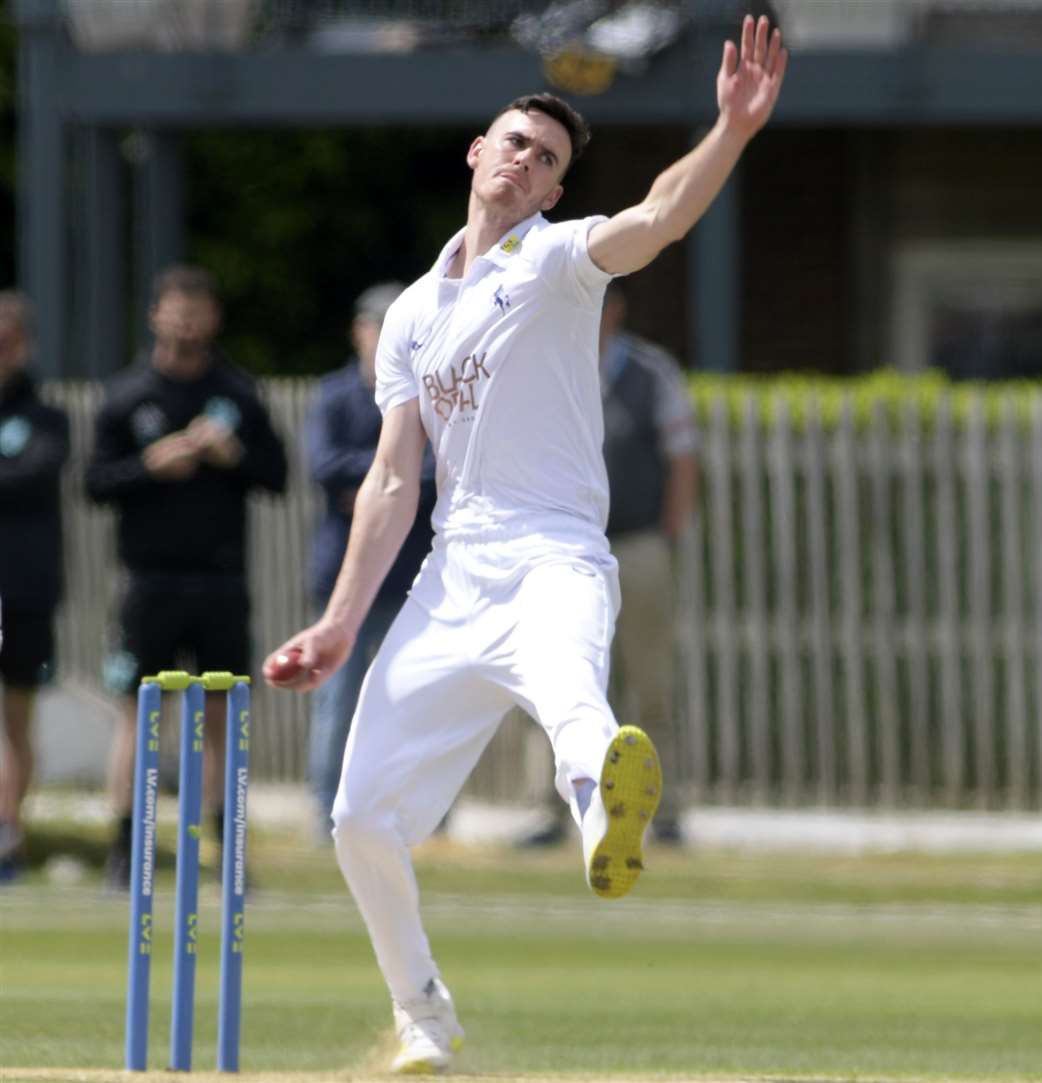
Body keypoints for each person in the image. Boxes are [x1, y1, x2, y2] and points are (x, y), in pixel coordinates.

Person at [265, 15, 786, 1073]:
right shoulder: (410, 315)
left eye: (546, 160)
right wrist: (337, 621)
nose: (526, 161)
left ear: (552, 193)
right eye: (514, 142)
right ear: (477, 152)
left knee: (572, 698)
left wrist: (728, 133)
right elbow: (393, 478)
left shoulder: (556, 261)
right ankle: (422, 1018)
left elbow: (656, 217)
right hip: (456, 575)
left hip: (556, 555)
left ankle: (604, 821)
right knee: (360, 818)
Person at [87, 264, 288, 890]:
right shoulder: (127, 396)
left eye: (197, 311)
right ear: (155, 316)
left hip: (221, 580)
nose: (186, 322)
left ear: (213, 319)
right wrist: (151, 465)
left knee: (222, 717)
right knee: (140, 714)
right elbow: (94, 483)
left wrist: (232, 458)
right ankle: (127, 849)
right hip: (148, 582)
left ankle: (226, 851)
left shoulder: (238, 393)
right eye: (176, 310)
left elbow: (276, 475)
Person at [517, 282, 698, 849]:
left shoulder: (651, 372)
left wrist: (668, 536)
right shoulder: (544, 366)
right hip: (565, 549)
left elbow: (682, 460)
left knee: (651, 682)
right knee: (554, 682)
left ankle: (663, 813)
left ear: (615, 311)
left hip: (637, 543)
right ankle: (548, 812)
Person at [306, 283, 437, 841]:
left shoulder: (428, 392)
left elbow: (438, 472)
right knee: (339, 695)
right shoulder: (335, 397)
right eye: (375, 328)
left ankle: (421, 814)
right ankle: (325, 812)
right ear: (358, 332)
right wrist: (388, 478)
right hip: (346, 570)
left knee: (417, 693)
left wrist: (388, 481)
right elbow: (323, 465)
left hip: (415, 572)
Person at [0, 292, 69, 881]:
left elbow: (30, 477)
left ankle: (8, 836)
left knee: (17, 716)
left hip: (22, 587)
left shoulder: (46, 416)